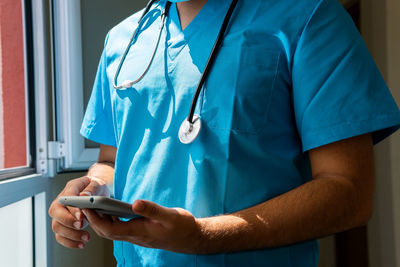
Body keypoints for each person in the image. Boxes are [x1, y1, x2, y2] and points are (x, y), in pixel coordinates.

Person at [49, 0, 400, 266]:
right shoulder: (122, 40)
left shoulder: (310, 19)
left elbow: (349, 192)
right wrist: (93, 187)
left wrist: (204, 237)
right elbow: (111, 160)